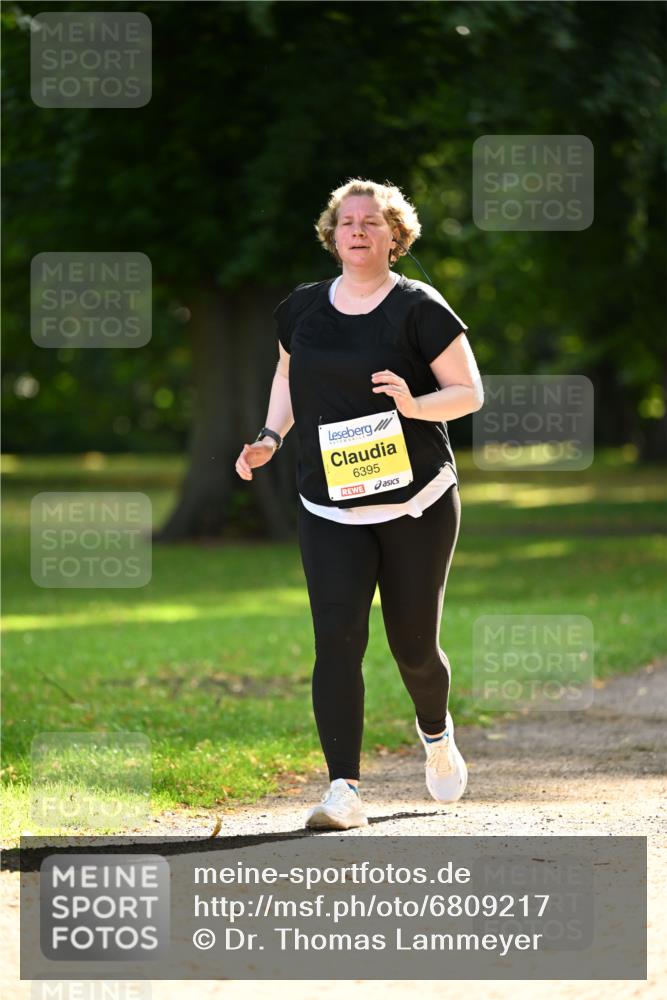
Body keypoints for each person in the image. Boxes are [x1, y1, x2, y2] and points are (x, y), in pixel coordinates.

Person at [234, 178, 483, 830]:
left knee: (414, 649)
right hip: (330, 505)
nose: (357, 231)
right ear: (332, 234)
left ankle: (436, 732)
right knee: (337, 641)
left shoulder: (419, 307)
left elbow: (467, 392)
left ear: (394, 236)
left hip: (416, 501)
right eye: (347, 222)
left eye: (371, 222)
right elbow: (287, 373)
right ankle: (342, 789)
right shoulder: (301, 309)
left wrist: (413, 404)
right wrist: (269, 435)